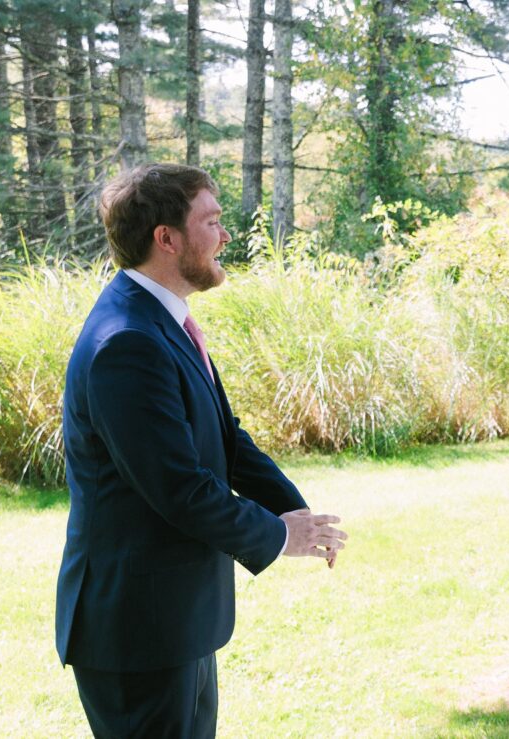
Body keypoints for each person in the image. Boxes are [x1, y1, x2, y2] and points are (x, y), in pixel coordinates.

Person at [55, 163, 347, 737]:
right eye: (211, 221)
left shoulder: (161, 323)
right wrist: (281, 536)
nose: (225, 235)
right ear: (166, 238)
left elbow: (225, 438)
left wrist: (298, 514)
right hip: (137, 628)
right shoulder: (127, 342)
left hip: (176, 618)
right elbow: (180, 488)